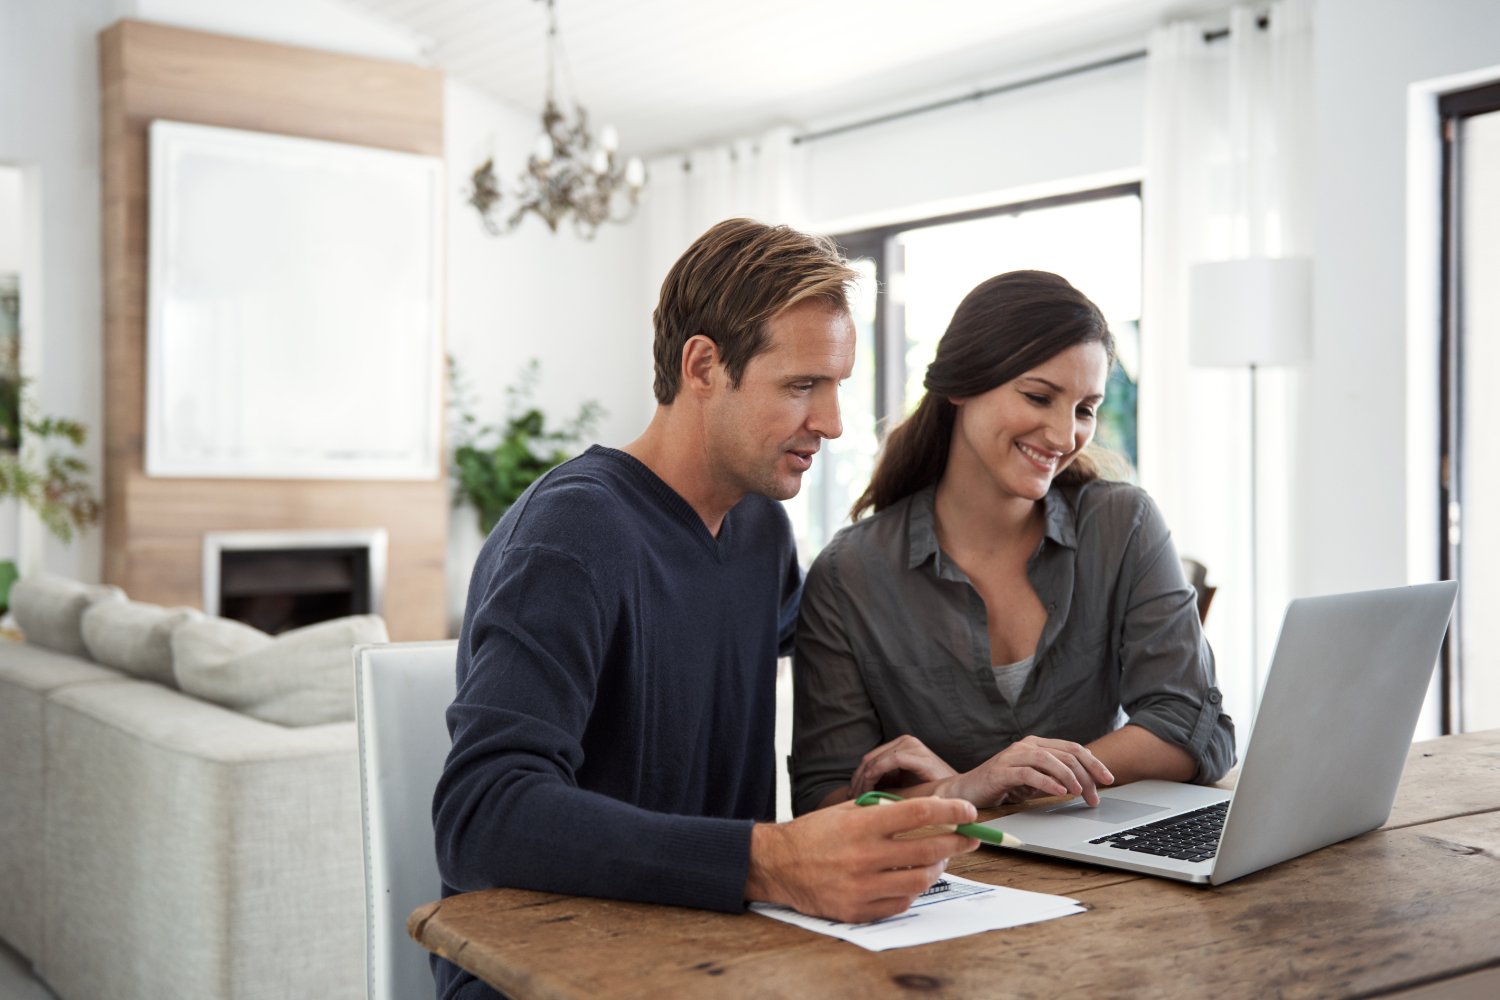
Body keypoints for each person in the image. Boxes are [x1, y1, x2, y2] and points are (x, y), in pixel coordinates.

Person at [433, 219, 981, 1000]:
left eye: (835, 387)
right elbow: (480, 815)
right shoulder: (573, 534)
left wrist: (919, 782)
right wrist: (775, 860)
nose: (830, 422)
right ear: (703, 365)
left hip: (719, 956)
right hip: (551, 972)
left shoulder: (761, 529)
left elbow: (839, 655)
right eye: (801, 385)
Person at [790, 270, 1235, 819]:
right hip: (945, 886)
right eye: (1039, 396)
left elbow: (1194, 732)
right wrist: (966, 788)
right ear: (960, 382)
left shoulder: (1123, 525)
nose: (1063, 434)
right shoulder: (850, 574)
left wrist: (1017, 783)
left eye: (1084, 408)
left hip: (1104, 869)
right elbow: (824, 803)